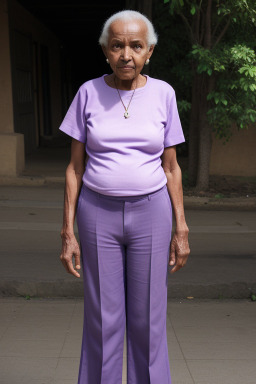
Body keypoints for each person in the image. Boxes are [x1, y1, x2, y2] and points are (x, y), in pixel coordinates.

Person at [59, 9, 190, 384]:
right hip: (97, 212)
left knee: (148, 319)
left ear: (149, 51)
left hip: (152, 213)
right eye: (117, 46)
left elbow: (171, 167)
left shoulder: (163, 93)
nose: (126, 55)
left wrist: (181, 227)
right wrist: (67, 231)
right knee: (103, 318)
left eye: (136, 46)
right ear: (105, 49)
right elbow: (74, 169)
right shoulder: (88, 93)